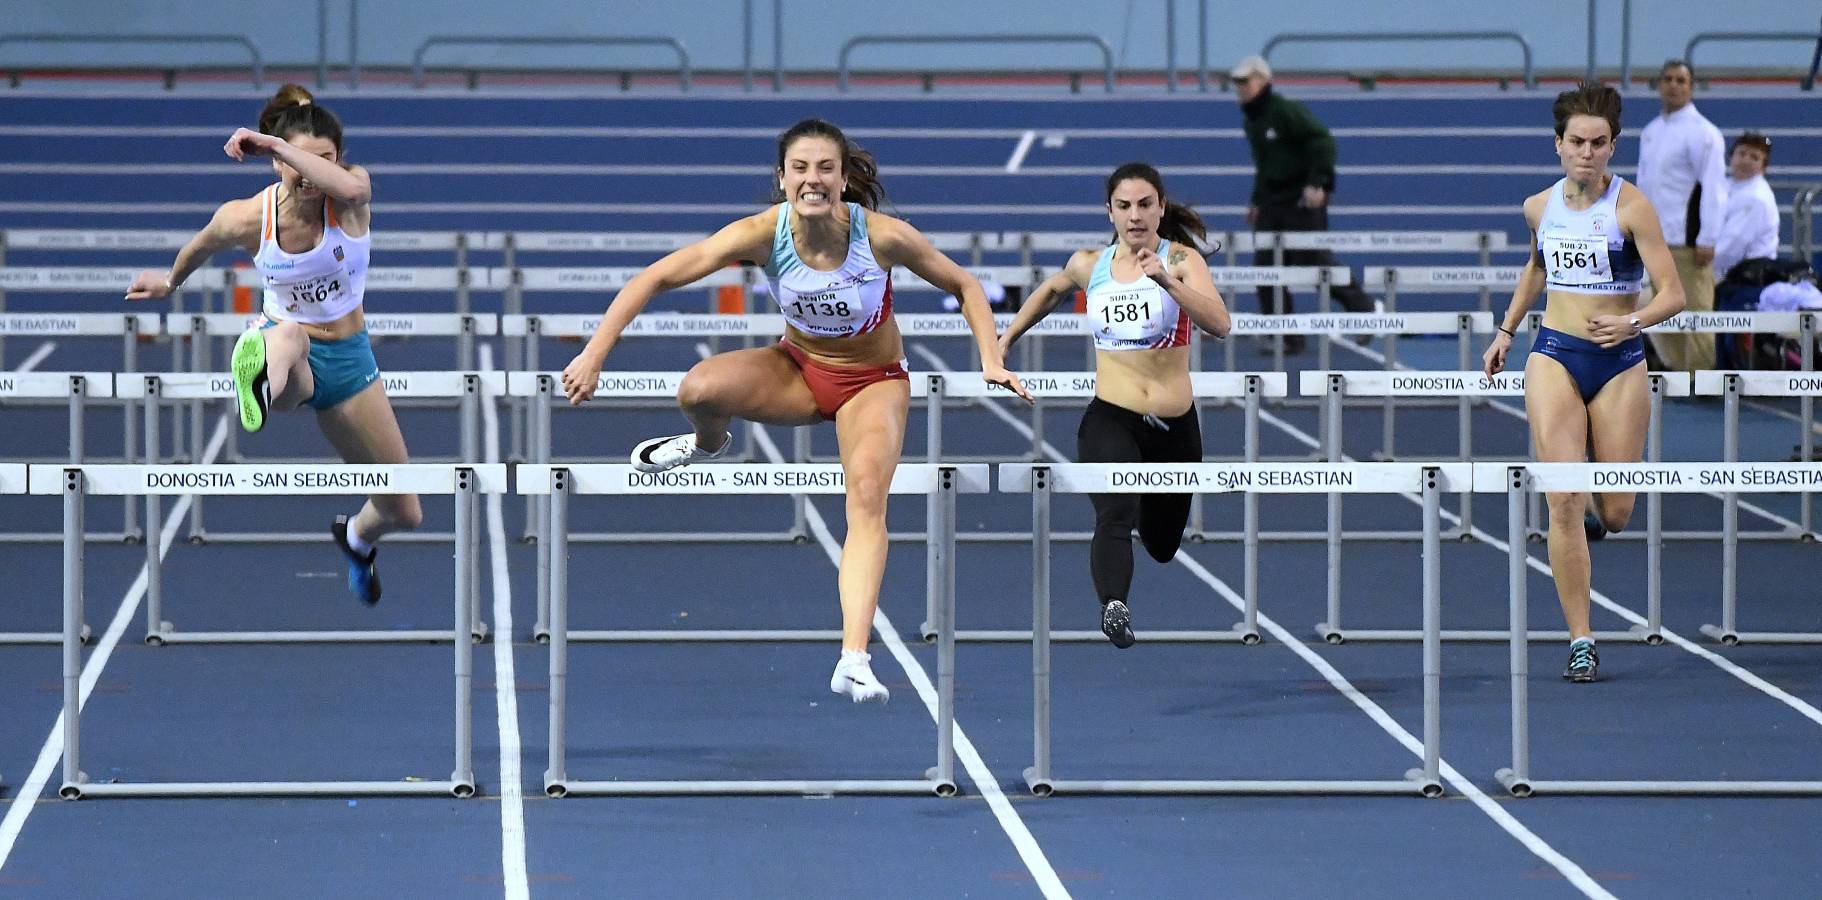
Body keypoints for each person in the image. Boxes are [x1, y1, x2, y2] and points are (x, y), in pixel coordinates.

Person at [560, 118, 1031, 702]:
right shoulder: (760, 234)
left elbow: (964, 285)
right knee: (696, 390)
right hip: (798, 370)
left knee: (864, 499)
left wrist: (990, 356)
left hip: (872, 383)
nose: (814, 180)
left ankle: (853, 658)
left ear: (843, 177)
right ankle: (708, 444)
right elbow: (657, 277)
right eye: (801, 169)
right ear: (781, 178)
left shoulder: (881, 236)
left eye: (825, 169)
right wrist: (594, 353)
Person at [126, 84, 419, 606]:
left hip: (352, 363)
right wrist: (170, 282)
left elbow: (353, 191)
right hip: (293, 354)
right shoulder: (246, 217)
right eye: (295, 162)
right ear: (273, 166)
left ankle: (354, 538)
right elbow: (201, 245)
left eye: (323, 161)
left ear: (339, 161)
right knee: (286, 338)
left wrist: (283, 148)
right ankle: (258, 370)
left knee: (404, 511)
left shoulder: (350, 197)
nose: (309, 174)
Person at [1481, 82, 1686, 683]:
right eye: (1577, 142)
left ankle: (1599, 508)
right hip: (1555, 355)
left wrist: (1632, 320)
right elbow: (1537, 268)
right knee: (1562, 499)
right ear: (1559, 145)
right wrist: (1506, 332)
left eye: (1599, 143)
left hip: (1619, 359)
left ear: (1613, 147)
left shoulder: (1632, 208)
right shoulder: (1538, 207)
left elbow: (1673, 293)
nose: (1587, 152)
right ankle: (1581, 638)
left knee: (1617, 511)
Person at [998, 163, 1232, 649]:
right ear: (1109, 212)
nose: (1135, 215)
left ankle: (1145, 514)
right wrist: (1004, 341)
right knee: (1115, 513)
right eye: (1124, 206)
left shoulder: (1183, 260)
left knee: (1163, 546)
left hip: (1174, 428)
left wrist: (1167, 282)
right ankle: (1114, 606)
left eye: (1146, 204)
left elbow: (1220, 322)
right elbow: (1052, 290)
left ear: (1161, 208)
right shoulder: (1091, 264)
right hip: (1111, 416)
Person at [1231, 55, 1375, 354]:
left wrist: (1319, 182)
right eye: (1237, 83)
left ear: (1263, 80)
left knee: (1314, 261)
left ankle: (1365, 309)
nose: (1241, 87)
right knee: (1265, 270)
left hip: (1301, 199)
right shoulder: (1252, 120)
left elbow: (1322, 141)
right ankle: (1286, 335)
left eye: (1246, 81)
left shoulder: (1285, 110)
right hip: (1273, 201)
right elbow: (1264, 164)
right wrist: (1257, 201)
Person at [1636, 59, 1728, 373]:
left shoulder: (1704, 134)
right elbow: (1643, 187)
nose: (1674, 85)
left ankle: (1703, 377)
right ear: (1659, 85)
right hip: (1653, 239)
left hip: (1688, 242)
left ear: (1691, 87)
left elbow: (1714, 188)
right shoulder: (1650, 132)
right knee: (1660, 311)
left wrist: (1708, 238)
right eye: (1668, 79)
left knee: (1697, 311)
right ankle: (1679, 372)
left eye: (1681, 80)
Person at [1713, 131, 1779, 281]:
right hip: (1723, 270)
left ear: (1763, 167)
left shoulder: (1756, 197)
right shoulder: (1726, 185)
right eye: (1741, 154)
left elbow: (1732, 248)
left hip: (1749, 277)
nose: (1745, 161)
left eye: (1754, 157)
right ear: (1731, 157)